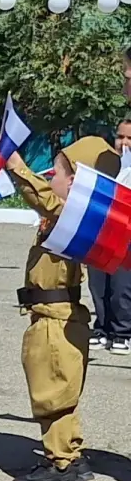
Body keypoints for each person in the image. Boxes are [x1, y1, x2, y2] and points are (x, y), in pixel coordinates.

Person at [4, 136, 111, 481]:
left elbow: (47, 202)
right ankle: (68, 456)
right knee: (53, 390)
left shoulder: (74, 214)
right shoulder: (66, 214)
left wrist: (17, 165)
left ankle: (62, 463)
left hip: (57, 317)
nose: (50, 177)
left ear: (78, 179)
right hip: (51, 313)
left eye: (57, 171)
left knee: (53, 392)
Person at [97, 118, 131, 352]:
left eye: (130, 138)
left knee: (121, 285)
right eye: (120, 137)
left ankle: (123, 332)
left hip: (126, 232)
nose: (124, 142)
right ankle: (102, 327)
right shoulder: (107, 164)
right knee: (99, 284)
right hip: (102, 228)